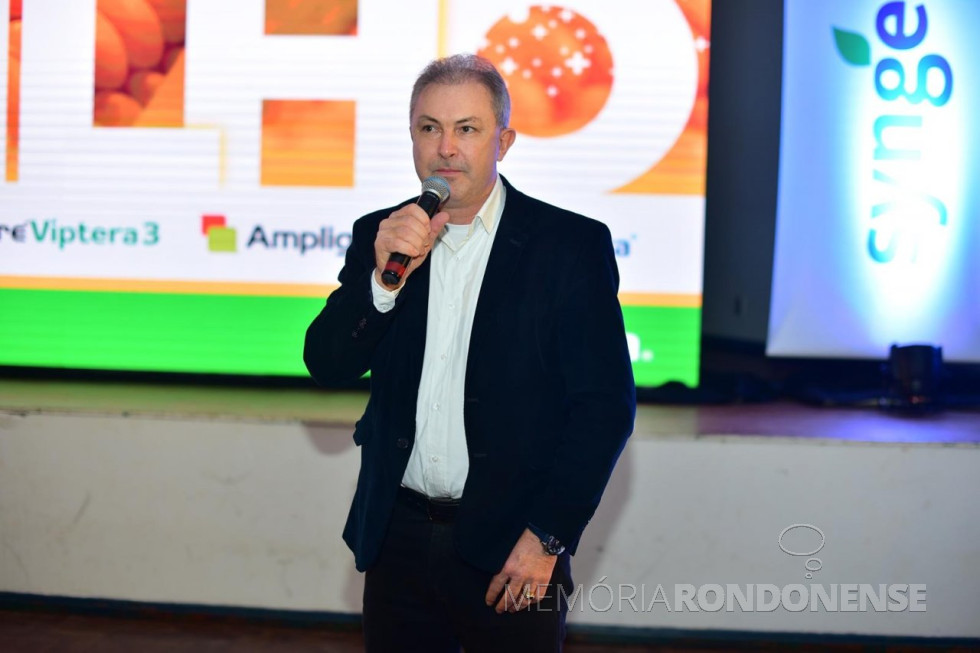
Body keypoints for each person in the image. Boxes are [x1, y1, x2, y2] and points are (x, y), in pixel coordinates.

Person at [304, 53, 635, 652]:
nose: (446, 149)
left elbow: (604, 408)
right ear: (412, 138)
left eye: (467, 129)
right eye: (429, 128)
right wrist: (382, 283)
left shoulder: (568, 247)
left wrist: (547, 539)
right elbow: (327, 363)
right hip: (398, 539)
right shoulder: (381, 237)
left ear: (503, 141)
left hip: (515, 547)